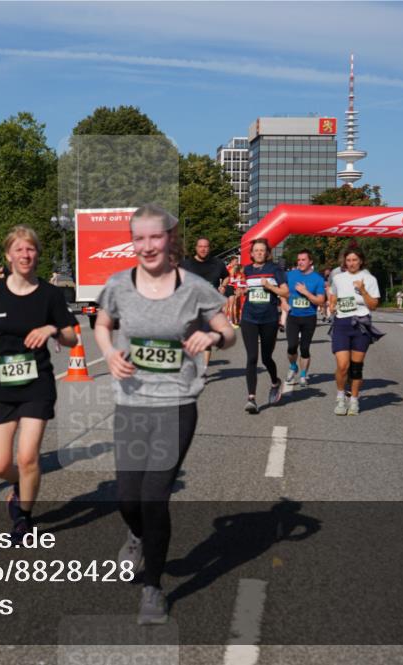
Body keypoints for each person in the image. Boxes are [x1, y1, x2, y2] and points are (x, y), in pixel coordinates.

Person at [94, 204, 235, 625]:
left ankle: (153, 587)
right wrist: (109, 353)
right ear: (132, 242)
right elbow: (102, 324)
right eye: (139, 238)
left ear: (170, 239)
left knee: (154, 497)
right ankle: (136, 535)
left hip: (176, 405)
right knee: (127, 497)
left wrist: (213, 337)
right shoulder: (118, 285)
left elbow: (228, 331)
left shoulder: (194, 288)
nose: (148, 246)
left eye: (155, 237)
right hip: (132, 403)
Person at [0, 226, 78, 542]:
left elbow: (72, 337)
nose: (25, 254)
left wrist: (50, 329)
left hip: (37, 382)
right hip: (0, 382)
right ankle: (21, 484)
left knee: (28, 457)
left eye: (30, 249)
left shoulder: (50, 294)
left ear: (37, 254)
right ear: (8, 255)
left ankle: (23, 518)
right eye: (19, 249)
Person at [328, 246, 383, 416]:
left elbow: (373, 305)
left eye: (354, 260)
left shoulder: (370, 279)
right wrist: (332, 305)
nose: (351, 263)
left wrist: (363, 290)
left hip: (361, 324)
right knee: (342, 365)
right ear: (344, 262)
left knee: (356, 368)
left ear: (361, 261)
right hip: (342, 323)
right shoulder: (338, 278)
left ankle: (354, 400)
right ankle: (340, 397)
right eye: (348, 260)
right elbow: (334, 295)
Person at [238, 238, 289, 413]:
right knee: (252, 357)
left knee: (266, 358)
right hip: (249, 318)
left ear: (267, 253)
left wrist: (270, 287)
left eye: (262, 250)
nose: (259, 253)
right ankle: (251, 398)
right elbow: (243, 289)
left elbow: (285, 292)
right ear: (251, 254)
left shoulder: (275, 269)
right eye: (256, 250)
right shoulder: (246, 270)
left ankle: (275, 382)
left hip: (269, 319)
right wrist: (242, 291)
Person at [180, 237, 230, 376]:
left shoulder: (218, 264)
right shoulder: (185, 265)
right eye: (200, 246)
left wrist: (223, 286)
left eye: (206, 246)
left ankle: (203, 371)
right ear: (196, 248)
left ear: (209, 248)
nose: (203, 249)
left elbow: (226, 276)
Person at [284, 250, 328, 387]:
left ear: (310, 262)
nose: (300, 262)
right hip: (293, 316)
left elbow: (320, 301)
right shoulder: (290, 275)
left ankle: (303, 375)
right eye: (299, 260)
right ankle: (293, 366)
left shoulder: (318, 279)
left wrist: (306, 292)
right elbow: (282, 290)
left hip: (309, 317)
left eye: (303, 260)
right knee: (292, 346)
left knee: (304, 348)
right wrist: (283, 302)